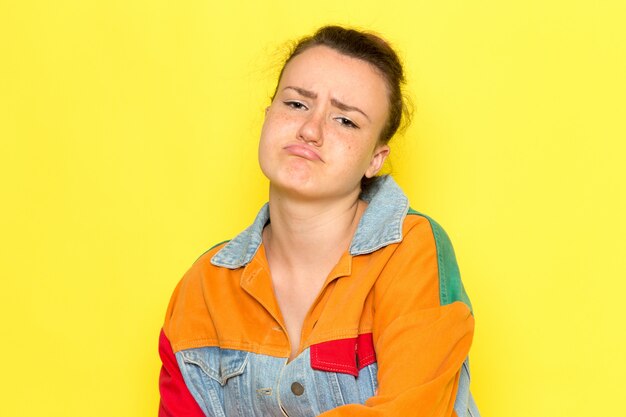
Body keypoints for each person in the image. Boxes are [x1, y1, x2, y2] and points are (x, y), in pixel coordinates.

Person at [158, 25, 480, 417]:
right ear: (268, 115)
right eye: (296, 104)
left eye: (345, 121)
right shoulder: (203, 287)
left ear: (375, 160)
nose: (310, 130)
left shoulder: (411, 252)